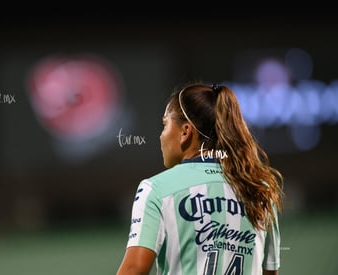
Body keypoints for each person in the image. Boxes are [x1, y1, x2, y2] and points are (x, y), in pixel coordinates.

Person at [116, 82, 284, 275]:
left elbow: (133, 270)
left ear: (185, 132)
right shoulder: (259, 189)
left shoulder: (156, 190)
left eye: (165, 125)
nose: (161, 135)